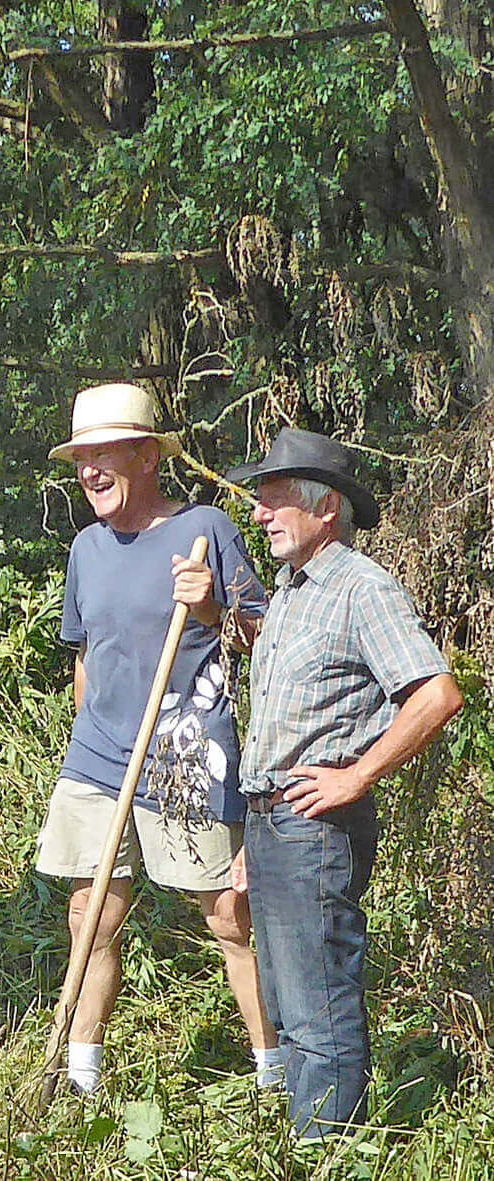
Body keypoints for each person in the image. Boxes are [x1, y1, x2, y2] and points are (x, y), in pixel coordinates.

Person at [38, 382, 278, 1095]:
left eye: (105, 453)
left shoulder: (204, 529)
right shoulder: (86, 547)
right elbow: (86, 658)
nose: (90, 471)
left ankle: (278, 1075)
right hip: (99, 756)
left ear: (148, 455)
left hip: (185, 751)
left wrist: (210, 607)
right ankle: (81, 1077)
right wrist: (85, 742)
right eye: (82, 458)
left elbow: (264, 636)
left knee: (229, 917)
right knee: (92, 913)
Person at [227, 426, 461, 1138]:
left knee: (319, 1011)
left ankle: (334, 1154)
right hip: (272, 827)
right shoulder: (292, 593)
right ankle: (312, 1145)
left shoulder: (363, 588)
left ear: (325, 508)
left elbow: (436, 694)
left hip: (316, 828)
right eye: (259, 501)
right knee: (289, 1006)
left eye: (273, 501)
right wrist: (253, 834)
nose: (259, 514)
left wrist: (356, 775)